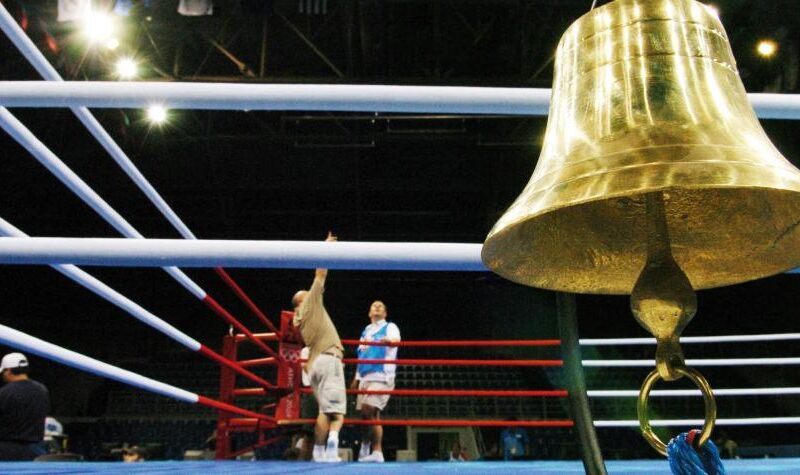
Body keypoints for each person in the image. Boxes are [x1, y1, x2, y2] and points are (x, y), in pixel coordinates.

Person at [292, 231, 345, 463]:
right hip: (328, 359)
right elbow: (320, 273)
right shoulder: (310, 302)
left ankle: (319, 453)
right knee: (336, 413)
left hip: (314, 365)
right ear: (303, 300)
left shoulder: (298, 318)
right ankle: (330, 447)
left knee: (325, 410)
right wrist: (326, 248)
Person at [352, 300, 400, 463]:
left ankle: (367, 447)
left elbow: (396, 340)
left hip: (381, 375)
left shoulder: (390, 326)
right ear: (369, 312)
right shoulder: (366, 330)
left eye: (381, 306)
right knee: (371, 416)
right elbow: (361, 354)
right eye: (374, 305)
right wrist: (356, 378)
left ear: (385, 313)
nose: (377, 307)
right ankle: (375, 451)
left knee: (368, 410)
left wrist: (389, 341)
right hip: (365, 376)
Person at [0, 352, 50, 461]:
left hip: (7, 451)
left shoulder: (4, 393)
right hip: (36, 451)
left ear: (8, 371)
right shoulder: (42, 390)